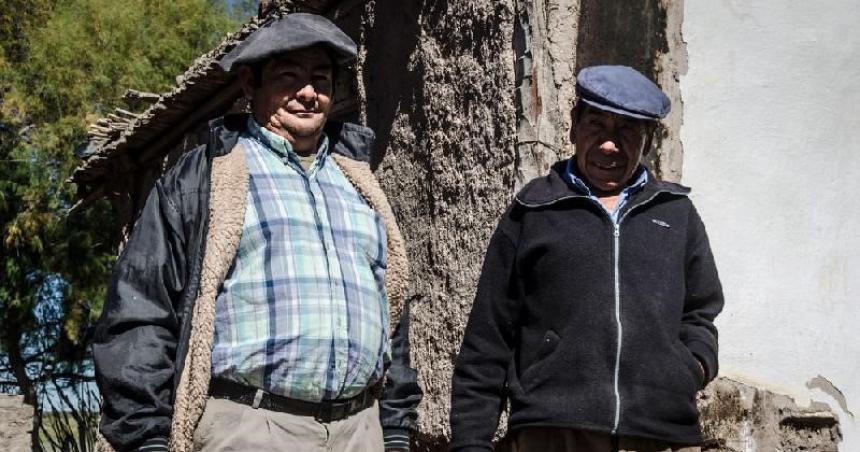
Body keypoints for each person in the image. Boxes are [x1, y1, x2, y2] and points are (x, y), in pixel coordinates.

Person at [93, 13, 421, 452]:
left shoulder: (360, 184)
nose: (308, 92)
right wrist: (146, 438)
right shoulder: (205, 179)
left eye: (320, 79)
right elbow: (141, 310)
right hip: (248, 429)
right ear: (250, 84)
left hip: (359, 432)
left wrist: (395, 429)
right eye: (290, 77)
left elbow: (392, 315)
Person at [450, 65, 724, 452]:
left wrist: (691, 366)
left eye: (627, 131)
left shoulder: (676, 213)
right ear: (574, 126)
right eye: (597, 126)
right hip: (552, 433)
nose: (610, 145)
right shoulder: (534, 211)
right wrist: (470, 444)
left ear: (646, 139)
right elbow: (488, 339)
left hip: (662, 433)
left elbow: (700, 311)